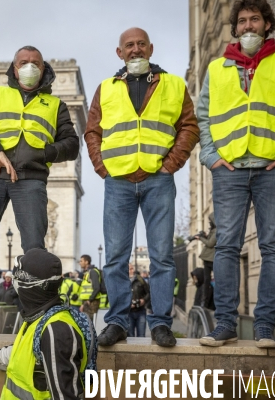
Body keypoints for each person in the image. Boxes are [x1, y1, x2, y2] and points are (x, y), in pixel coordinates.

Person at [197, 0, 275, 349]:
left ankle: (264, 326)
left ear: (267, 24)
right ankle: (226, 325)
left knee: (273, 246)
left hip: (273, 168)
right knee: (227, 247)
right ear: (236, 28)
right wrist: (211, 155)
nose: (248, 26)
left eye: (255, 20)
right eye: (242, 21)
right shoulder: (216, 69)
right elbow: (204, 116)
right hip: (229, 170)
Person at [84, 27, 199, 347]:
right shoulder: (105, 88)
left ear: (150, 48)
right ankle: (118, 322)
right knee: (115, 257)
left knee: (162, 256)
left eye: (140, 44)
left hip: (158, 178)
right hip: (118, 180)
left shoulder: (174, 84)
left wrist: (171, 164)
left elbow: (189, 126)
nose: (135, 49)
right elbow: (92, 130)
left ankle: (160, 323)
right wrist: (101, 166)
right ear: (119, 53)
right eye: (128, 45)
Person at [0, 45, 79, 340]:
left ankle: (35, 316)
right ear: (14, 68)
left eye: (35, 63)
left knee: (35, 251)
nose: (29, 67)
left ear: (44, 68)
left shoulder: (56, 105)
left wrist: (43, 152)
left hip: (31, 179)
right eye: (23, 62)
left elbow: (72, 144)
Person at [0, 249, 97, 400]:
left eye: (17, 280)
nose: (14, 285)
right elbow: (23, 353)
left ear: (29, 286)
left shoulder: (56, 330)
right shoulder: (41, 318)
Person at [193, 213, 216, 309]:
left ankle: (211, 302)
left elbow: (210, 244)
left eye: (210, 221)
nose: (209, 222)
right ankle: (204, 303)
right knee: (206, 281)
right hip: (207, 259)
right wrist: (205, 236)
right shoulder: (213, 231)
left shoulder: (217, 231)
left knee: (211, 281)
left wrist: (201, 238)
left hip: (211, 259)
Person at [78, 254, 101, 322]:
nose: (80, 263)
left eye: (81, 261)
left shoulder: (93, 272)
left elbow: (96, 287)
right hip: (87, 301)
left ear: (86, 262)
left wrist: (89, 300)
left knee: (90, 323)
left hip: (92, 302)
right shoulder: (86, 273)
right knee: (86, 323)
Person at [128, 264, 150, 337]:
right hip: (128, 313)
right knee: (130, 336)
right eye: (130, 269)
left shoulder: (140, 280)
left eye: (132, 268)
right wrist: (127, 304)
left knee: (141, 335)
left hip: (141, 311)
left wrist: (143, 300)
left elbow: (149, 293)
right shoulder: (123, 281)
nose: (132, 270)